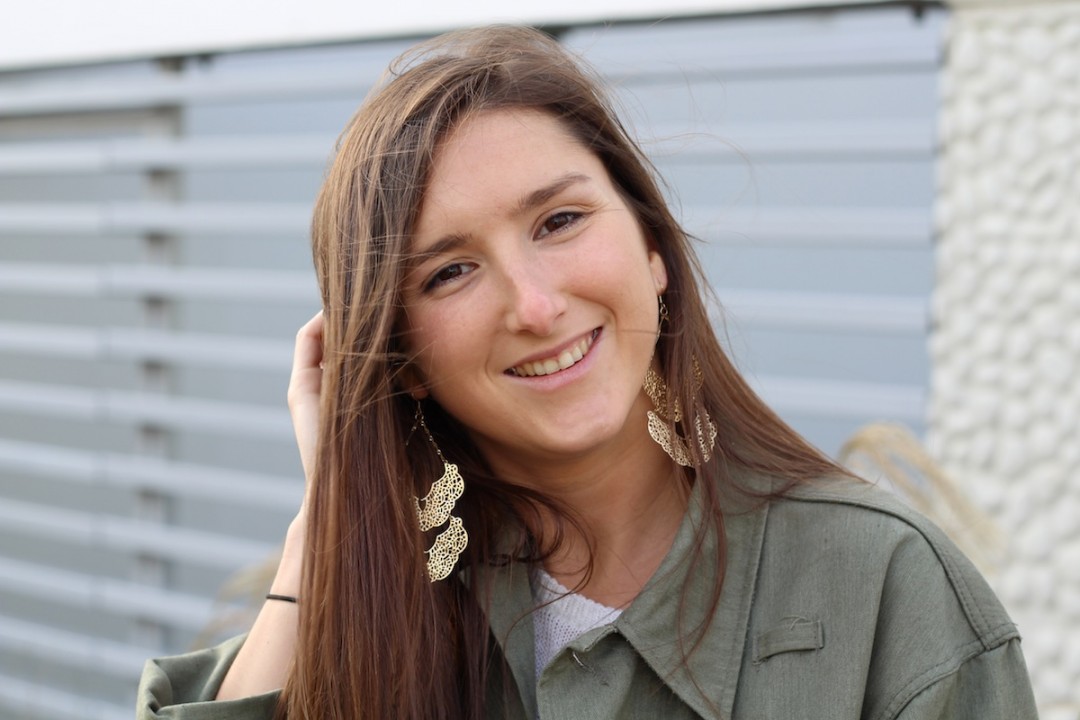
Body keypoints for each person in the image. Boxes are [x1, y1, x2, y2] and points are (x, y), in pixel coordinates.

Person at [136, 25, 1038, 720]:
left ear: (653, 250)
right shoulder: (380, 617)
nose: (534, 305)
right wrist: (330, 511)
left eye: (560, 222)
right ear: (402, 362)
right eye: (451, 272)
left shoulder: (888, 588)